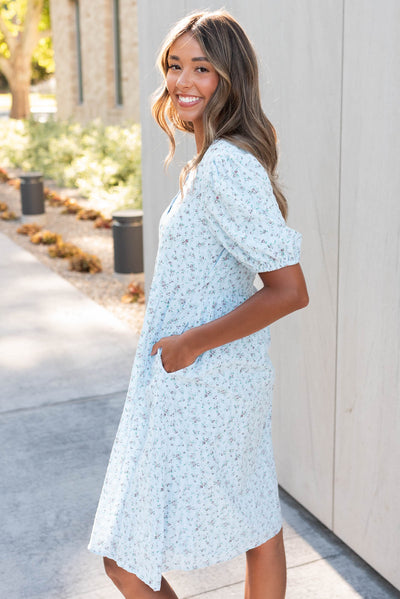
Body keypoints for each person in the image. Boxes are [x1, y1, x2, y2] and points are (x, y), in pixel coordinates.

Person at [88, 9, 309, 599]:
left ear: (229, 77)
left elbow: (290, 290)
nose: (183, 81)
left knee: (125, 557)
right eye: (174, 66)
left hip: (205, 382)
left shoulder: (227, 168)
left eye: (202, 68)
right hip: (205, 380)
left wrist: (187, 345)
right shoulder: (207, 165)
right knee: (258, 525)